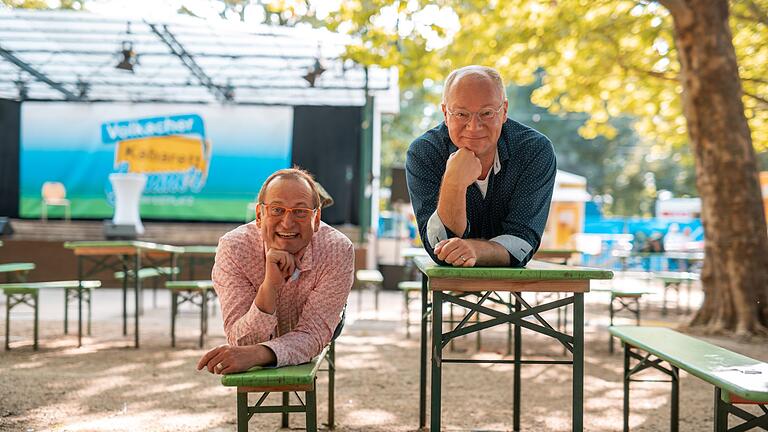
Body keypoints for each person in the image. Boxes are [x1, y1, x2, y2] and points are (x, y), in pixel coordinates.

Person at [197, 168, 354, 375]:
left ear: (316, 220)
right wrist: (269, 286)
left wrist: (258, 354)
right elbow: (240, 341)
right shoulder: (234, 248)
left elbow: (313, 334)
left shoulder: (337, 249)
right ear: (259, 216)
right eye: (277, 210)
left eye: (300, 212)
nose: (287, 223)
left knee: (322, 329)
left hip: (321, 321)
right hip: (271, 315)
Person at [406, 65, 556, 267]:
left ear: (504, 111)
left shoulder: (534, 151)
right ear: (445, 113)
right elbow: (439, 247)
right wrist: (453, 182)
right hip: (448, 282)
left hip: (516, 282)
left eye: (486, 113)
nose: (474, 127)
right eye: (461, 114)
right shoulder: (425, 152)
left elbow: (522, 241)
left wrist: (475, 250)